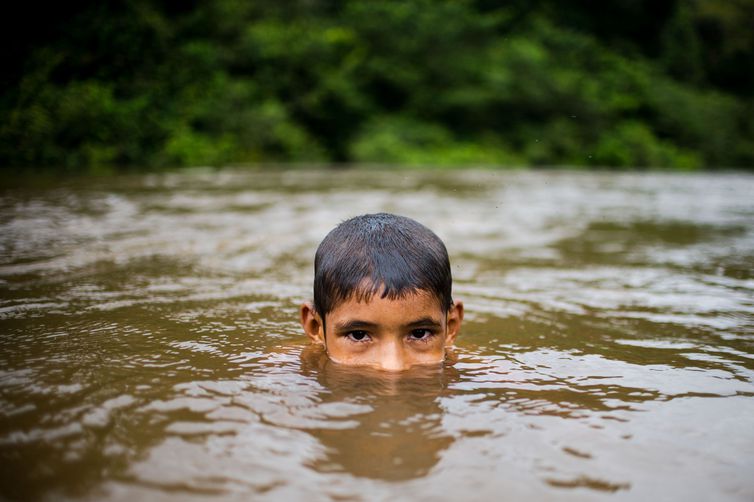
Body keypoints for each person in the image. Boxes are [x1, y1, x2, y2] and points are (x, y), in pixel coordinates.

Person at [300, 213, 463, 371]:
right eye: (358, 335)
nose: (392, 367)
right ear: (315, 327)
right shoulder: (286, 376)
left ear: (450, 326)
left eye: (419, 334)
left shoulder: (479, 376)